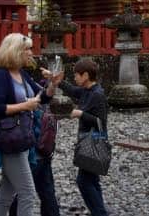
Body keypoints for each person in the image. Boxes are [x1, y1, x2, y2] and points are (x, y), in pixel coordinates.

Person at [0, 33, 62, 216]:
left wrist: (52, 84)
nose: (31, 52)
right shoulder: (2, 76)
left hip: (23, 139)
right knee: (27, 193)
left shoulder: (22, 74)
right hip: (11, 139)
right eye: (27, 49)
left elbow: (43, 97)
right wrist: (25, 106)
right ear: (15, 51)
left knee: (6, 194)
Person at [58, 58, 110, 215]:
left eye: (77, 75)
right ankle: (100, 211)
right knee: (92, 180)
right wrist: (57, 81)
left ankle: (100, 212)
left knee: (84, 181)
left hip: (94, 141)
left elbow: (101, 122)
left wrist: (81, 114)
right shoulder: (88, 91)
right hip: (88, 140)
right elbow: (73, 91)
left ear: (86, 75)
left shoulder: (97, 95)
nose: (75, 78)